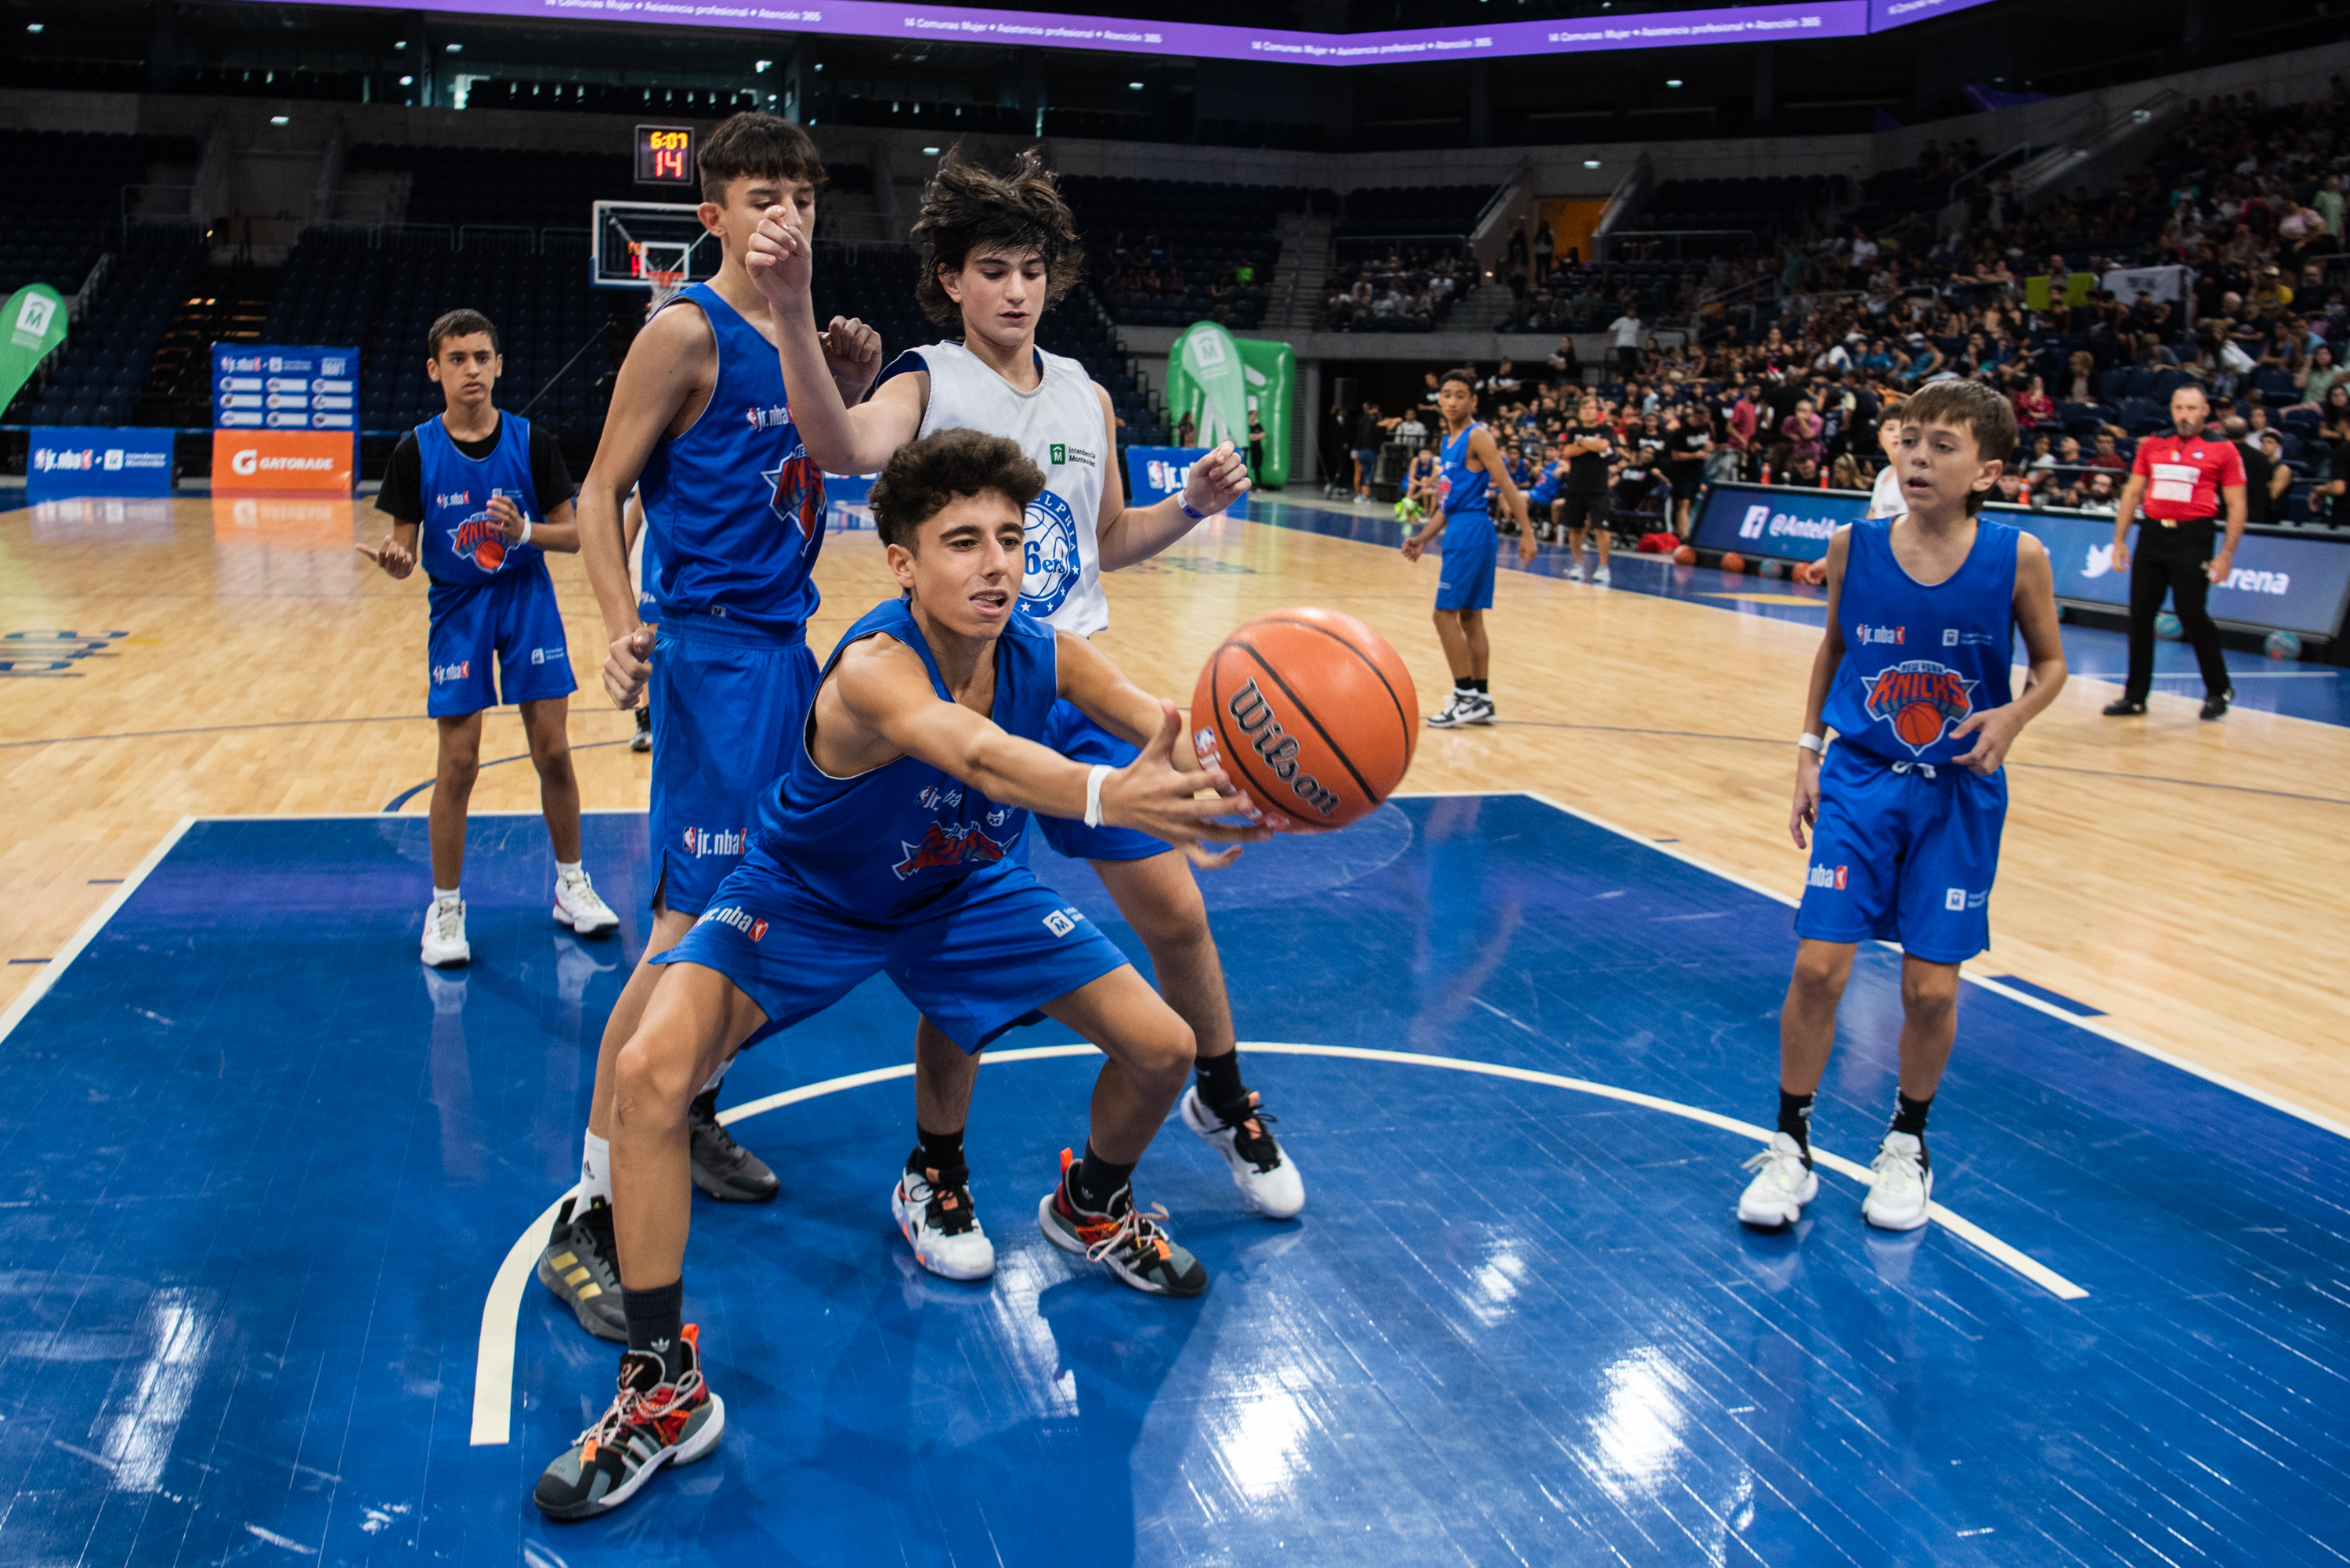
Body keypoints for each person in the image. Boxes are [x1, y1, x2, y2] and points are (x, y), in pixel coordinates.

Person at [530, 429, 1268, 1520]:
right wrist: (1113, 797)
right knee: (651, 1070)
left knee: (1162, 1048)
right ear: (903, 563)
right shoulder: (876, 666)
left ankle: (1093, 1201)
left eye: (1011, 540)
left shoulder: (1046, 650)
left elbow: (1163, 722)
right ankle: (660, 1387)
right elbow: (969, 751)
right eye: (961, 541)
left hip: (960, 889)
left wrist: (1233, 768)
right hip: (805, 898)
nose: (995, 564)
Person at [749, 145, 1299, 1284]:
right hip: (954, 684)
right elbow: (839, 446)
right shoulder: (926, 377)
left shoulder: (1086, 392)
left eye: (1033, 270)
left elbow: (1102, 547)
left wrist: (1186, 510)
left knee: (1178, 915)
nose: (1015, 290)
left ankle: (1220, 1091)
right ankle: (937, 1162)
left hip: (1065, 675)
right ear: (950, 278)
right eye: (992, 268)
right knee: (960, 921)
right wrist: (798, 318)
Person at [536, 113, 885, 1342]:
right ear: (713, 216)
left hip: (790, 650)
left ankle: (686, 1109)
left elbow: (826, 462)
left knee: (765, 906)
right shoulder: (683, 331)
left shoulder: (801, 334)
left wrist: (840, 370)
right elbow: (596, 488)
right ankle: (588, 1200)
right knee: (693, 925)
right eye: (761, 195)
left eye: (801, 193)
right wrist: (622, 624)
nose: (785, 213)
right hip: (717, 657)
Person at [1736, 379, 2068, 1234]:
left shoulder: (2019, 555)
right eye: (1910, 441)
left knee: (1928, 991)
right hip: (1860, 780)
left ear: (1988, 469)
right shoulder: (1854, 544)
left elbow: (2053, 666)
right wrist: (1808, 752)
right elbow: (1833, 649)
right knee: (1817, 968)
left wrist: (2015, 715)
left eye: (1943, 446)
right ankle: (1789, 1145)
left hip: (1957, 793)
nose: (1918, 457)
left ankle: (1907, 1144)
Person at [358, 308, 619, 966]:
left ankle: (570, 885)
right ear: (434, 370)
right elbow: (406, 551)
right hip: (457, 607)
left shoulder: (531, 442)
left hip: (527, 600)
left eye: (481, 357)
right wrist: (396, 562)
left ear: (499, 365)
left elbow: (578, 533)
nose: (470, 369)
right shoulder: (415, 450)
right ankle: (445, 908)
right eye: (457, 359)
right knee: (459, 763)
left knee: (554, 752)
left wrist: (523, 533)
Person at [2102, 384, 2245, 721]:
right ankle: (2135, 697)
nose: (2185, 415)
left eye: (2192, 408)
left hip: (2193, 537)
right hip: (2151, 535)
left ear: (2206, 411)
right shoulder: (2153, 443)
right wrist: (2120, 539)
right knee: (2139, 616)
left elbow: (2237, 506)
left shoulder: (2223, 449)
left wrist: (2226, 554)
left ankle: (2218, 689)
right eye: (2179, 408)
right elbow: (2133, 492)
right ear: (2171, 409)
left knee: (2192, 613)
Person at [1401, 367, 1535, 728]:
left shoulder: (1478, 437)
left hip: (1472, 533)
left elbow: (1506, 483)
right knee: (1470, 617)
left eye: (1460, 395)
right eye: (1446, 395)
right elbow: (1448, 504)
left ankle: (1464, 697)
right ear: (1438, 399)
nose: (1452, 401)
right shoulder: (1447, 442)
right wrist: (1422, 538)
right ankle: (1482, 698)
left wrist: (1527, 532)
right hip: (1463, 528)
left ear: (1473, 400)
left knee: (1442, 615)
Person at [1557, 396, 1615, 583]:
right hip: (1576, 486)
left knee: (1601, 528)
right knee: (1575, 528)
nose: (1588, 411)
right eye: (1584, 408)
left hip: (1598, 486)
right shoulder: (1574, 430)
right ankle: (1577, 564)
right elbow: (1567, 452)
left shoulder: (1605, 429)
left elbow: (1604, 445)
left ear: (1597, 411)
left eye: (1591, 408)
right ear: (1580, 412)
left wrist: (1581, 443)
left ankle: (1604, 566)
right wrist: (1591, 446)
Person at [1665, 409, 1711, 537]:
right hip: (1682, 471)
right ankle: (1685, 537)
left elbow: (1707, 445)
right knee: (1683, 503)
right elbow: (1675, 456)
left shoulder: (1705, 428)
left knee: (1689, 503)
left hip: (1697, 471)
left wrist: (1708, 449)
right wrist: (1695, 455)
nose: (1707, 420)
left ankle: (1677, 533)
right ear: (1698, 416)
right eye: (1705, 417)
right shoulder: (1682, 432)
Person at [1608, 306, 1643, 374]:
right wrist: (1612, 343)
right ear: (1627, 312)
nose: (1632, 313)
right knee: (1625, 365)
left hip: (1633, 346)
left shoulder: (1638, 322)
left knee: (1634, 366)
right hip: (1623, 346)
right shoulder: (1621, 320)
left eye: (1633, 311)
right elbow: (1610, 328)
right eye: (1630, 311)